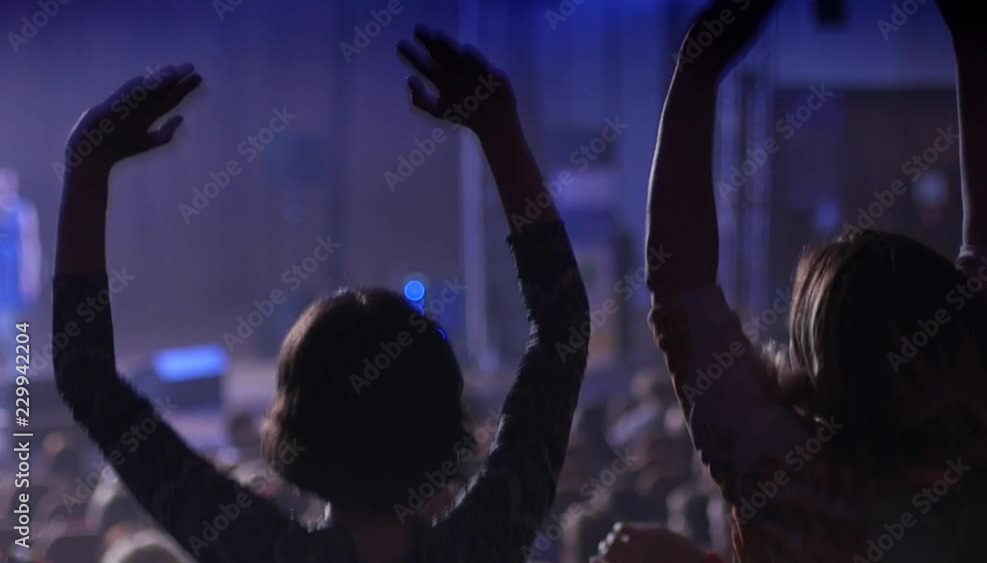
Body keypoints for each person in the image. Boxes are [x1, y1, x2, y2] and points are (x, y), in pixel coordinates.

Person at [53, 26, 590, 563]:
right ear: (449, 424)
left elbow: (84, 373)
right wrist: (500, 133)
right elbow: (562, 329)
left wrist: (87, 168)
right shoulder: (483, 545)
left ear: (292, 426)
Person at [607, 0, 987, 561]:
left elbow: (680, 283)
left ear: (818, 355)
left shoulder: (782, 475)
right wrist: (975, 38)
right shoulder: (983, 446)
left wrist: (696, 68)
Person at [0, 165, 41, 338]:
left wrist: (32, 276)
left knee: (18, 324)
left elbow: (31, 244)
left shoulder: (24, 210)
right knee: (3, 325)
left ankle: (21, 356)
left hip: (17, 273)